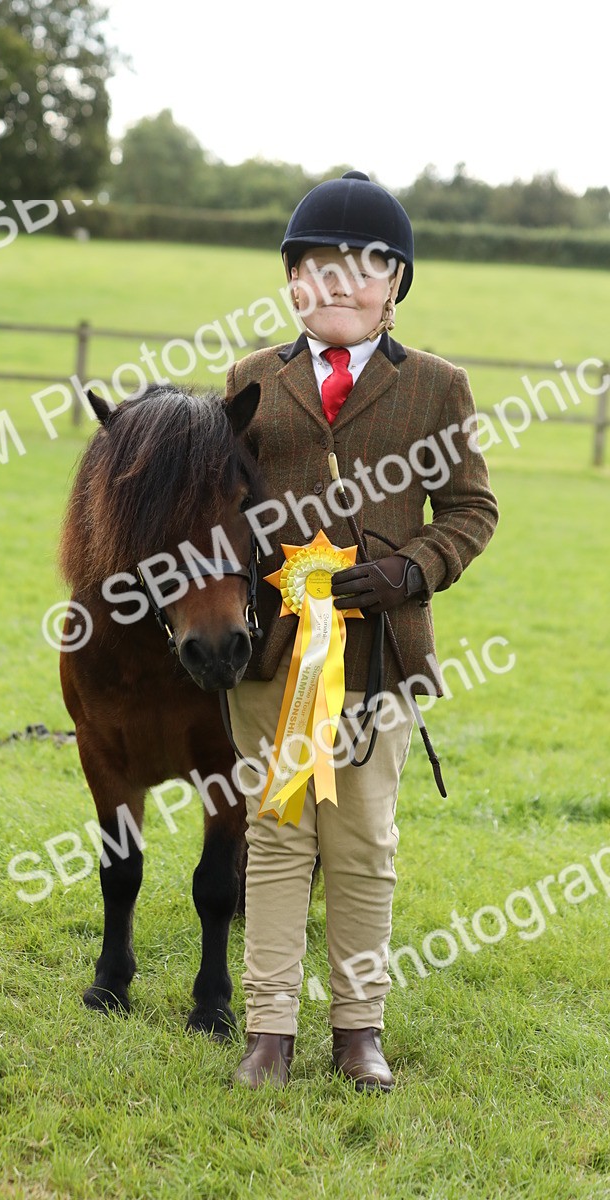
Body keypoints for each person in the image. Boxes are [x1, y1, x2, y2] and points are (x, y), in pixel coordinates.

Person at [224, 170, 499, 1091]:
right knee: (276, 834)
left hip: (379, 659)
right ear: (291, 279)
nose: (340, 282)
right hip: (270, 656)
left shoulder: (437, 388)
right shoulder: (252, 380)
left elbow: (470, 509)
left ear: (396, 286)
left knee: (364, 843)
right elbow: (224, 510)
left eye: (366, 267)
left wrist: (412, 570)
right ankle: (268, 1028)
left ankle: (358, 1029)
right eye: (318, 265)